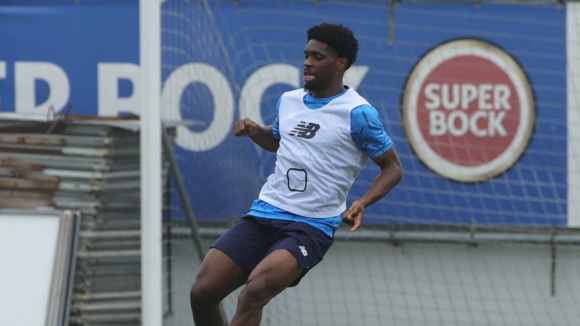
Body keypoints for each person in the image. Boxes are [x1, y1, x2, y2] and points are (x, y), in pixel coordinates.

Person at [190, 22, 403, 326]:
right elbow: (277, 141)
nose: (307, 62)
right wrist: (254, 131)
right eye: (306, 55)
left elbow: (393, 167)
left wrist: (363, 202)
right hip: (265, 213)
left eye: (317, 56)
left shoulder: (358, 113)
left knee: (255, 291)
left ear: (340, 63)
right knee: (202, 292)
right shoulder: (289, 101)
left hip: (310, 225)